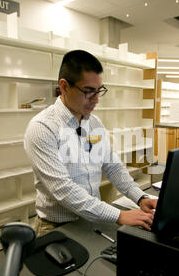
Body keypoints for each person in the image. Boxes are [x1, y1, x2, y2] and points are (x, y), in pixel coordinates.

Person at [24, 50, 157, 237]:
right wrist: (119, 215)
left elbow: (113, 167)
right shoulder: (42, 127)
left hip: (92, 221)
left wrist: (140, 196)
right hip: (57, 228)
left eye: (99, 90)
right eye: (88, 91)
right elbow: (63, 189)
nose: (96, 99)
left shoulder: (94, 123)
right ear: (64, 86)